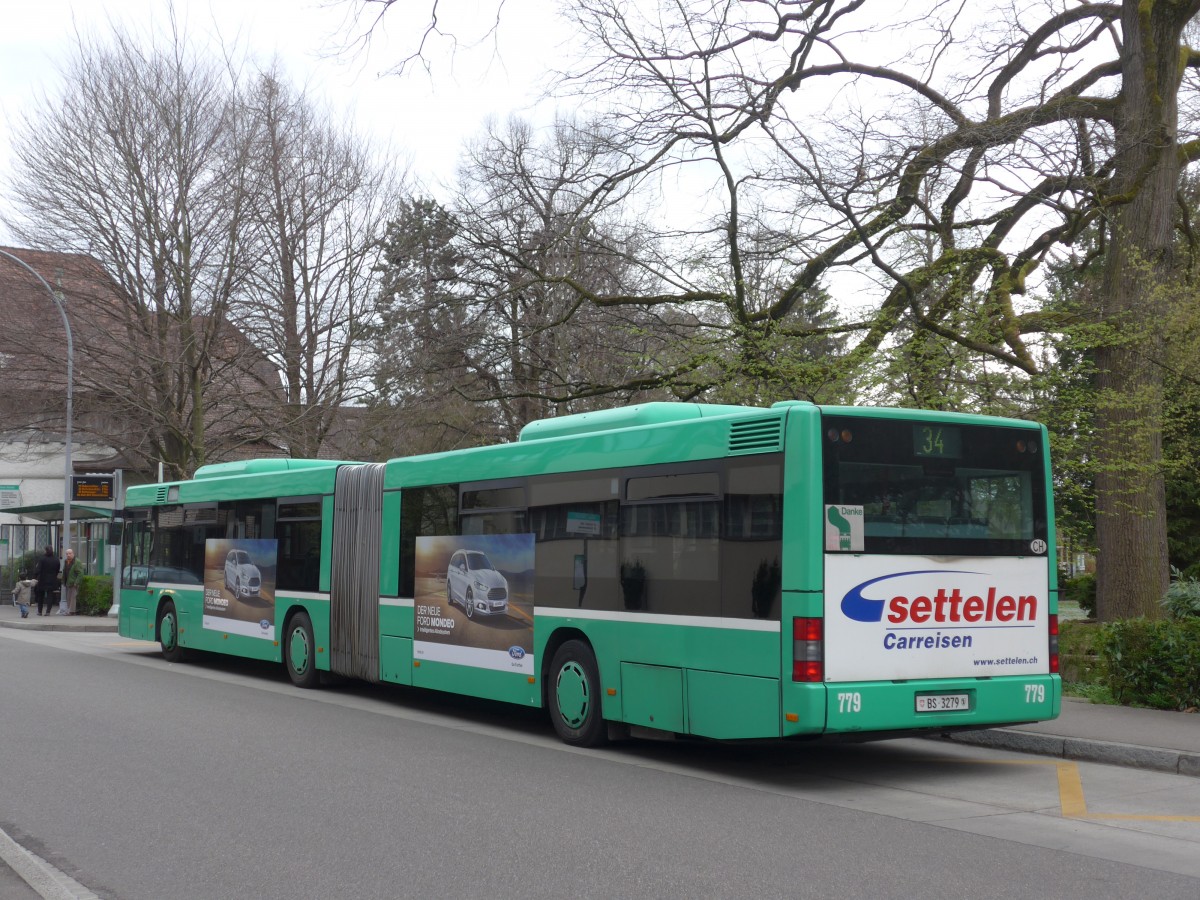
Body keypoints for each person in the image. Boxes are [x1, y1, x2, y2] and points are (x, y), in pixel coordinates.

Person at [33, 546, 60, 616]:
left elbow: (38, 569)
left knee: (40, 596)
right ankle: (48, 611)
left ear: (46, 551)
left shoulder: (42, 559)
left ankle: (39, 611)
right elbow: (57, 570)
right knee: (50, 595)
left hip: (42, 579)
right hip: (52, 580)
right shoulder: (56, 559)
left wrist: (35, 577)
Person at [61, 548, 83, 615]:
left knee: (73, 597)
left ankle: (71, 611)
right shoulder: (66, 561)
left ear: (73, 553)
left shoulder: (77, 562)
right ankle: (69, 610)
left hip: (74, 583)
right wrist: (63, 581)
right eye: (67, 554)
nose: (68, 555)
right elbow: (64, 571)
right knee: (68, 597)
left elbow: (80, 573)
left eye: (70, 553)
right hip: (68, 582)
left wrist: (76, 582)